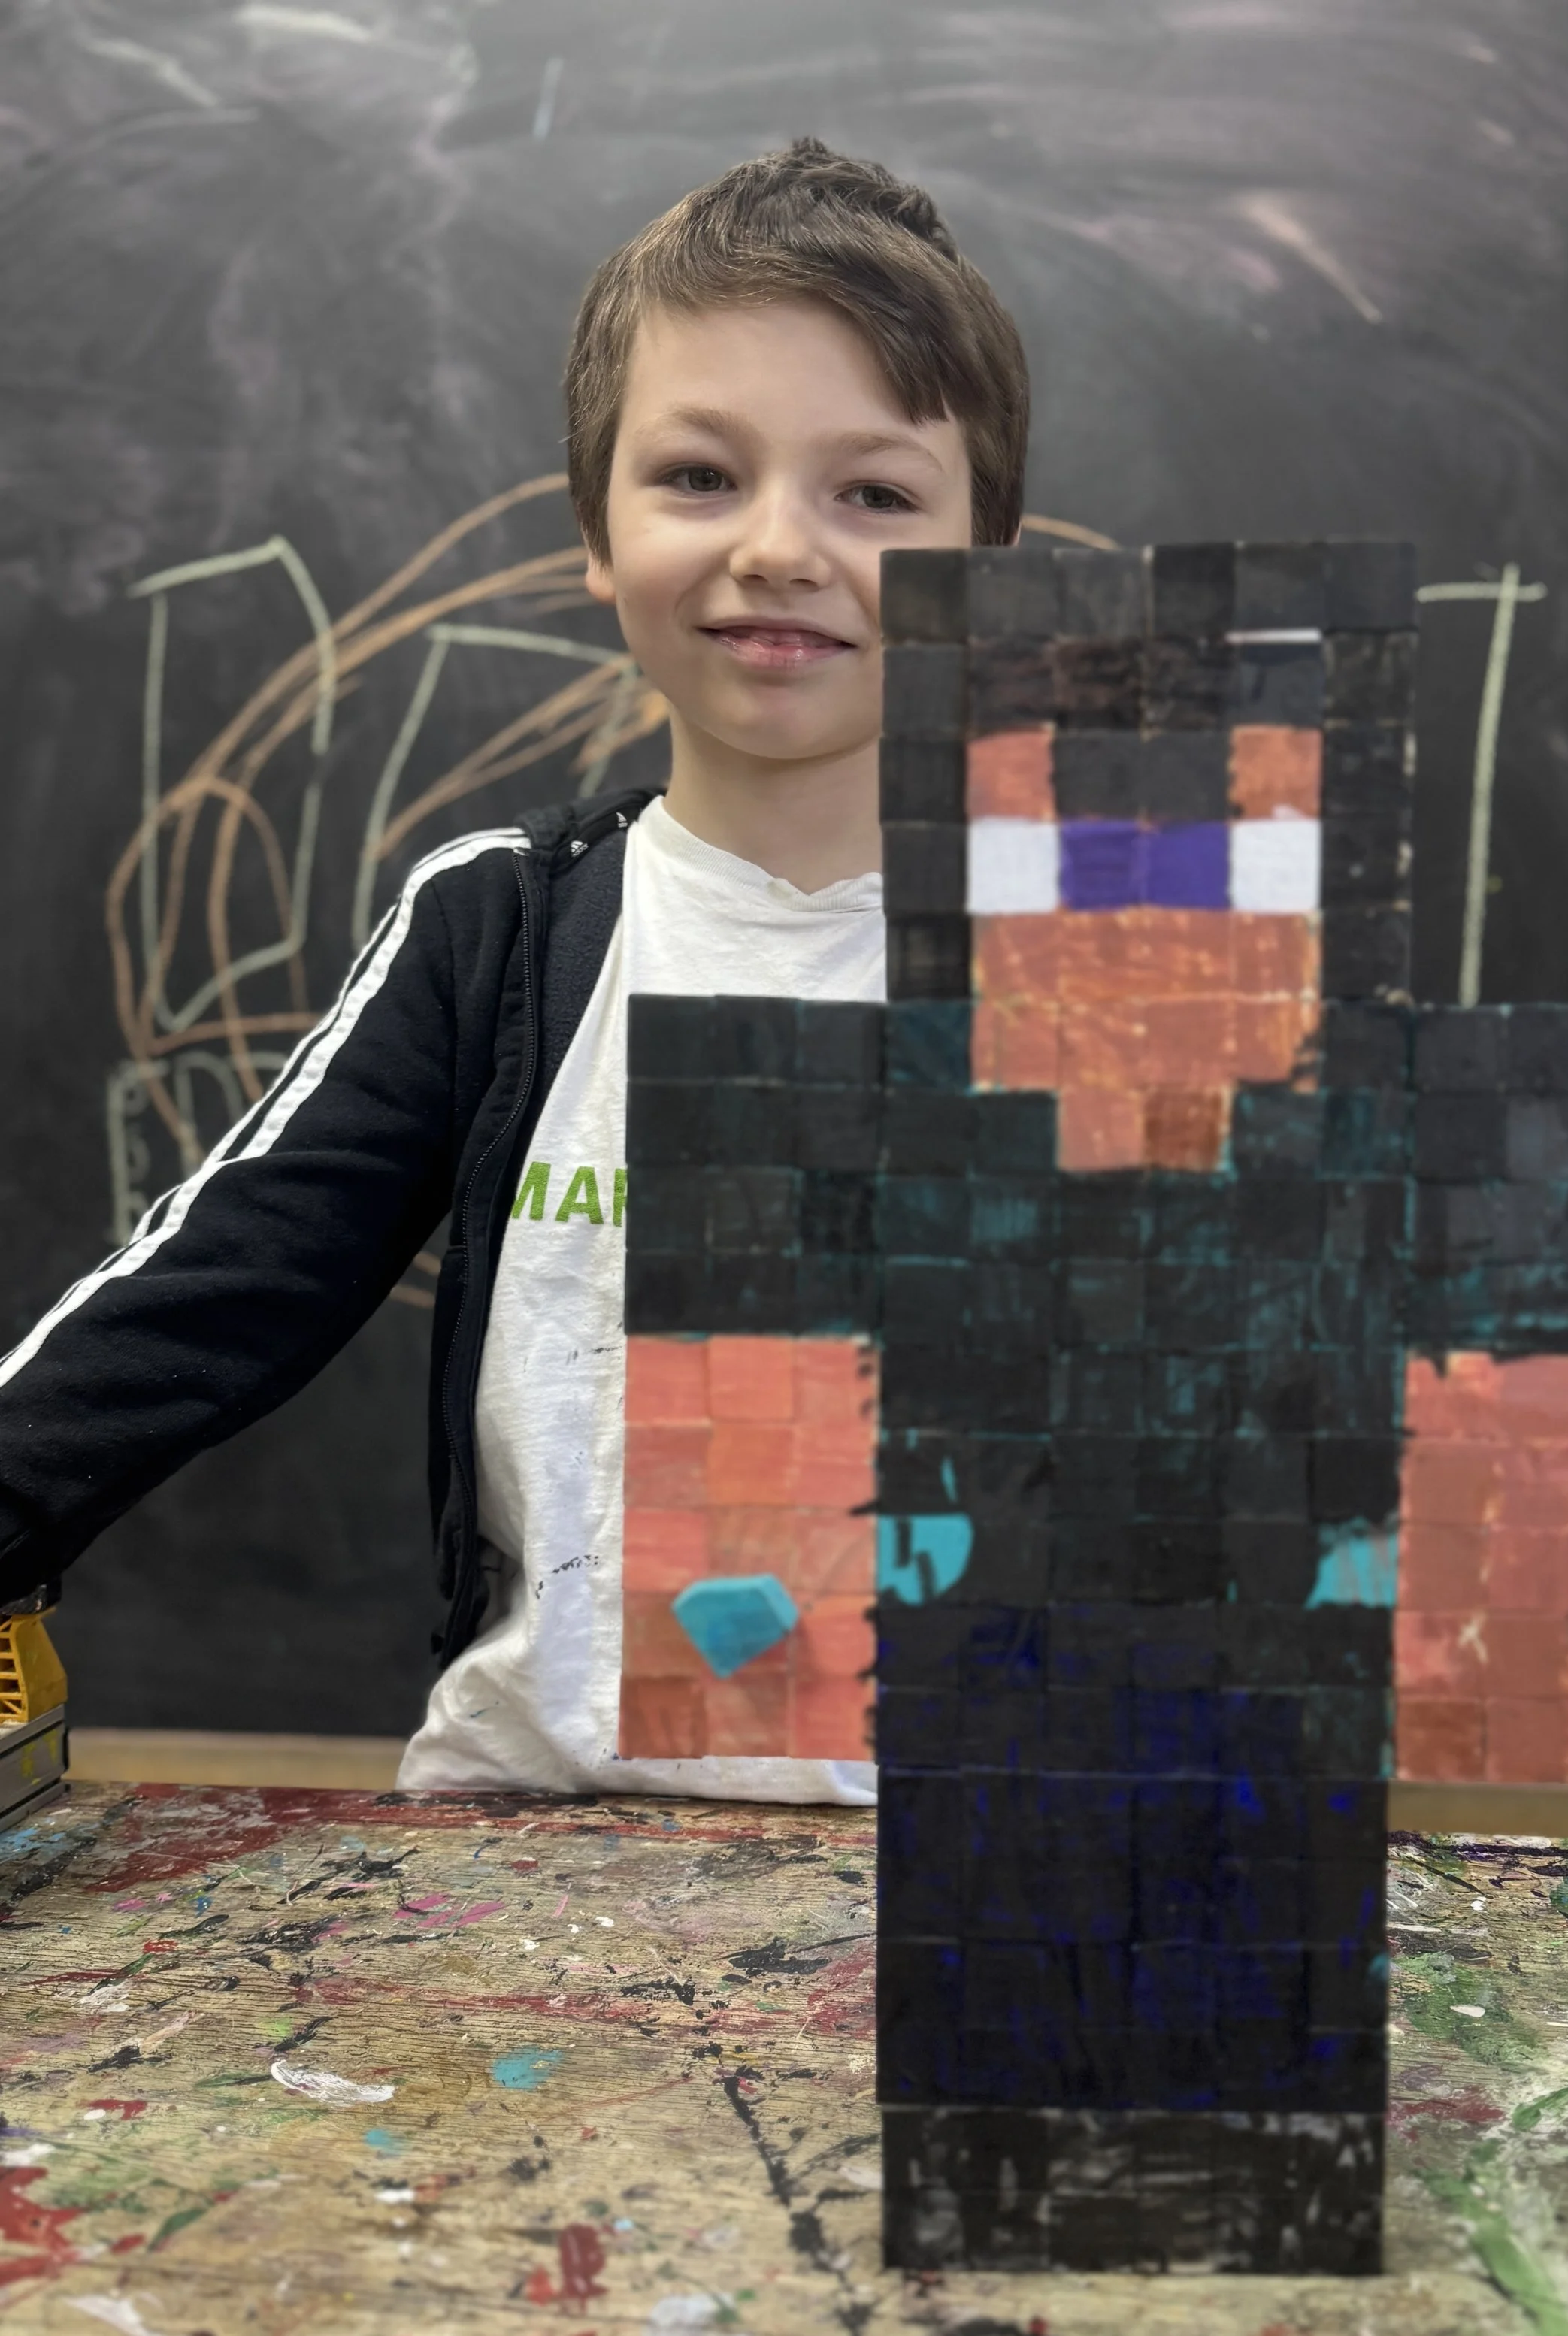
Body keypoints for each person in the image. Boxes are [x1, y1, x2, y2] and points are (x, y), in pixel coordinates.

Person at [0, 139, 1031, 1801]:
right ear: (593, 533)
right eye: (699, 476)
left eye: (876, 494)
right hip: (522, 1853)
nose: (778, 544)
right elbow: (212, 1286)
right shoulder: (501, 929)